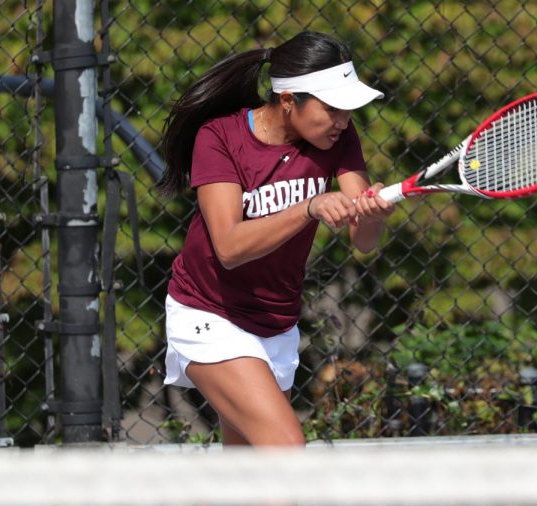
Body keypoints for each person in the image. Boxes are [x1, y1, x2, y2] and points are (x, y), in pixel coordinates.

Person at [158, 31, 392, 446]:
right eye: (332, 108)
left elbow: (364, 240)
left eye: (348, 110)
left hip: (276, 324)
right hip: (209, 313)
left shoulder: (338, 138)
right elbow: (229, 247)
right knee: (286, 451)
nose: (343, 120)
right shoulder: (219, 137)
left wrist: (373, 214)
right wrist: (308, 207)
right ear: (288, 100)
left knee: (251, 473)